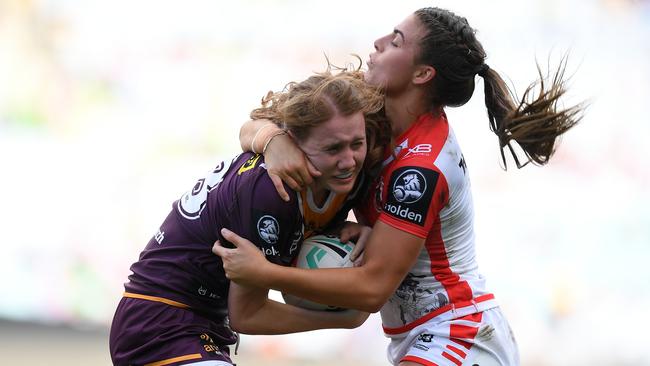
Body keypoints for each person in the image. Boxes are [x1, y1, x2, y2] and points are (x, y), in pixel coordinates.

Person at [213, 7, 584, 366]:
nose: (377, 43)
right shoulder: (363, 109)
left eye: (395, 42)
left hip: (458, 333)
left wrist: (265, 274)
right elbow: (254, 123)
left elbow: (373, 288)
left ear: (422, 73)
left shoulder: (421, 168)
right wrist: (272, 139)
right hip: (421, 335)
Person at [109, 69, 390, 366]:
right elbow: (248, 314)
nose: (348, 161)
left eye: (356, 144)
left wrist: (346, 228)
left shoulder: (349, 176)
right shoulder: (272, 193)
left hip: (206, 327)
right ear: (293, 140)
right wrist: (342, 320)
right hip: (158, 324)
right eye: (333, 148)